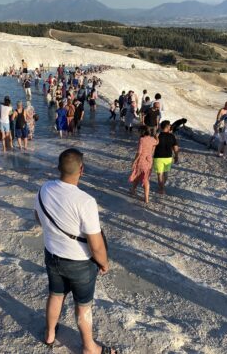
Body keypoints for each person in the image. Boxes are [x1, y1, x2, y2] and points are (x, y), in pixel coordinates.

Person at [34, 148, 117, 354]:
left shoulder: (44, 189)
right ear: (82, 169)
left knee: (55, 294)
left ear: (58, 167)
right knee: (83, 306)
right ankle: (89, 347)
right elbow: (96, 245)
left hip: (52, 255)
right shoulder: (85, 201)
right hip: (80, 263)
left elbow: (38, 218)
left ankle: (50, 334)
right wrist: (104, 263)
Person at [129, 126, 159, 203]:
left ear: (142, 132)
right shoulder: (152, 139)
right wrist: (156, 136)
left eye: (139, 131)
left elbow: (139, 152)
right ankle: (146, 198)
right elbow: (157, 142)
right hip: (149, 161)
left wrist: (134, 161)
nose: (138, 132)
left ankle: (133, 190)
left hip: (141, 160)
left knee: (137, 175)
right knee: (146, 178)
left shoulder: (142, 140)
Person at [153, 121, 179, 195]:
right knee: (166, 174)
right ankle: (162, 186)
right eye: (170, 126)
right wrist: (176, 156)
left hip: (158, 157)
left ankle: (161, 189)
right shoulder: (172, 136)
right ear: (167, 127)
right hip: (168, 157)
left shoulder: (157, 135)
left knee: (160, 174)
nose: (171, 127)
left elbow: (153, 146)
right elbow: (175, 147)